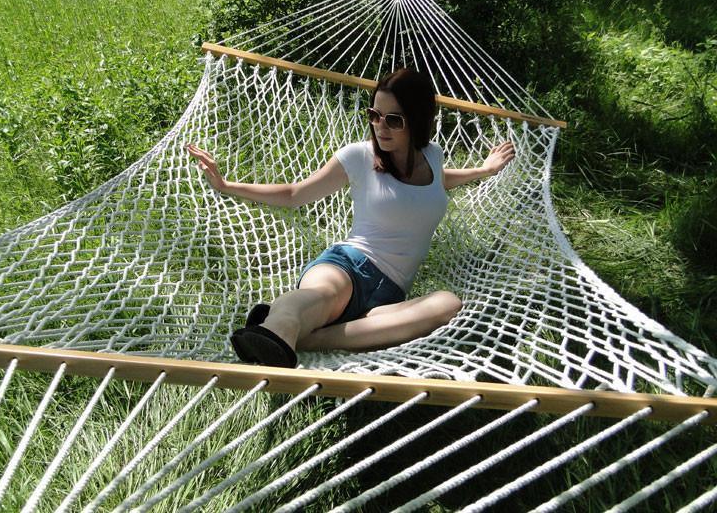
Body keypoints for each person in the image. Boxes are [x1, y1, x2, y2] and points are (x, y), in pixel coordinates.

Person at [187, 68, 515, 368]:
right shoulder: (359, 156)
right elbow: (295, 194)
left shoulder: (432, 156)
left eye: (393, 120)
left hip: (390, 296)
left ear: (417, 119)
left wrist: (484, 170)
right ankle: (278, 329)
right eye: (374, 115)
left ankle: (298, 336)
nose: (380, 126)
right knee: (320, 295)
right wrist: (227, 185)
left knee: (448, 305)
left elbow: (436, 181)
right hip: (349, 265)